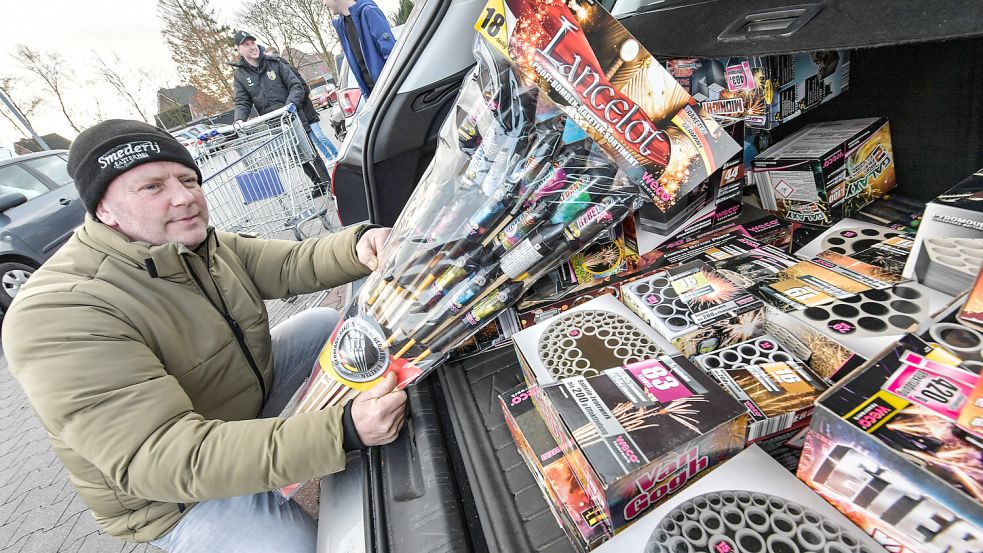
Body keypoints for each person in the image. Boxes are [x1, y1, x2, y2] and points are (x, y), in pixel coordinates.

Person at [1, 119, 407, 553]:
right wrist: (340, 431)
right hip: (174, 497)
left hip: (226, 417)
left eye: (188, 179)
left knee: (321, 328)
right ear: (104, 208)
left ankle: (267, 453)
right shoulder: (60, 312)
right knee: (296, 547)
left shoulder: (197, 246)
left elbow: (290, 263)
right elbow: (162, 456)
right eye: (152, 187)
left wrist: (359, 245)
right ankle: (264, 471)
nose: (185, 197)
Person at [230, 30, 332, 194]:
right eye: (246, 44)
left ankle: (329, 185)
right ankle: (318, 183)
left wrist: (290, 104)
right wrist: (239, 120)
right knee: (295, 156)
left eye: (253, 43)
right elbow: (242, 101)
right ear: (238, 49)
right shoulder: (240, 76)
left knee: (310, 152)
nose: (252, 47)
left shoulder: (275, 63)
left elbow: (295, 85)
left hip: (293, 116)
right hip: (274, 123)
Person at [264, 46, 339, 162]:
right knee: (313, 139)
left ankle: (336, 154)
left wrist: (296, 102)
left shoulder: (289, 69)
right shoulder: (275, 75)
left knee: (319, 136)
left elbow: (304, 88)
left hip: (306, 110)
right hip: (298, 113)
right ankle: (329, 157)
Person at [323, 0, 397, 97]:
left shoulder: (369, 12)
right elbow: (357, 66)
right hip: (372, 96)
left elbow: (392, 55)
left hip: (389, 92)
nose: (324, 3)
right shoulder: (342, 25)